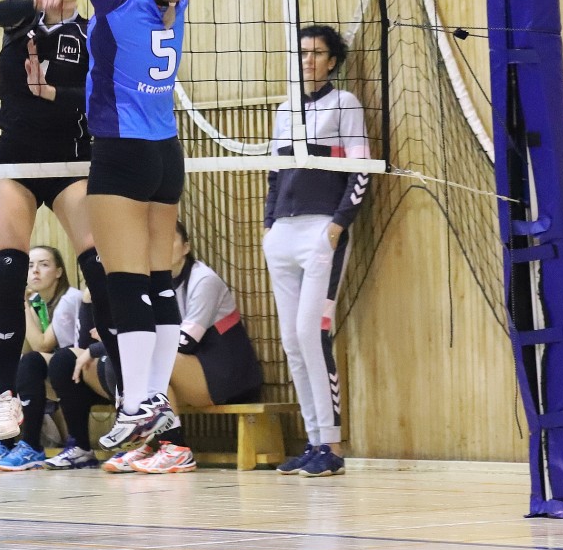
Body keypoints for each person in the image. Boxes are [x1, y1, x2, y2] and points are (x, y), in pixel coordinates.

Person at [39, 0, 201, 451]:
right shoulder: (172, 1)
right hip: (166, 155)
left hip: (122, 154)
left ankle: (135, 404)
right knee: (158, 281)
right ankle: (153, 400)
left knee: (126, 281)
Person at [0, 0, 118, 445]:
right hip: (17, 156)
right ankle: (4, 396)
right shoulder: (19, 26)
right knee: (8, 267)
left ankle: (128, 387)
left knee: (98, 261)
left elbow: (97, 98)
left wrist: (52, 93)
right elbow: (5, 26)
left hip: (71, 158)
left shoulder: (94, 33)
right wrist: (29, 27)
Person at [48, 220, 263, 474]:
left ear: (186, 247)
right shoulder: (150, 284)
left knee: (146, 359)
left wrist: (102, 347)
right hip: (188, 370)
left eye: (169, 240)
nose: (159, 247)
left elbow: (185, 342)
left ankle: (176, 448)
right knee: (110, 362)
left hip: (225, 374)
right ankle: (145, 443)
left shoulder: (203, 280)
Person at [262, 24, 370, 478]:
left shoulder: (344, 104)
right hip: (282, 236)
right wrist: (268, 226)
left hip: (320, 231)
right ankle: (313, 442)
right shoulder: (285, 109)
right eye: (303, 52)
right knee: (291, 341)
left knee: (312, 334)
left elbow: (361, 170)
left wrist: (337, 224)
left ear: (332, 61)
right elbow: (274, 175)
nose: (308, 60)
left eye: (317, 53)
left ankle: (332, 444)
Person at [0, 245, 85, 470]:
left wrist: (17, 301)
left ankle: (31, 445)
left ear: (59, 272)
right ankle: (3, 443)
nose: (35, 271)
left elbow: (41, 344)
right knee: (5, 362)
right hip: (53, 372)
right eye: (30, 265)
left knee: (30, 362)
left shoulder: (70, 298)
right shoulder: (37, 301)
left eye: (44, 265)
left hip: (78, 369)